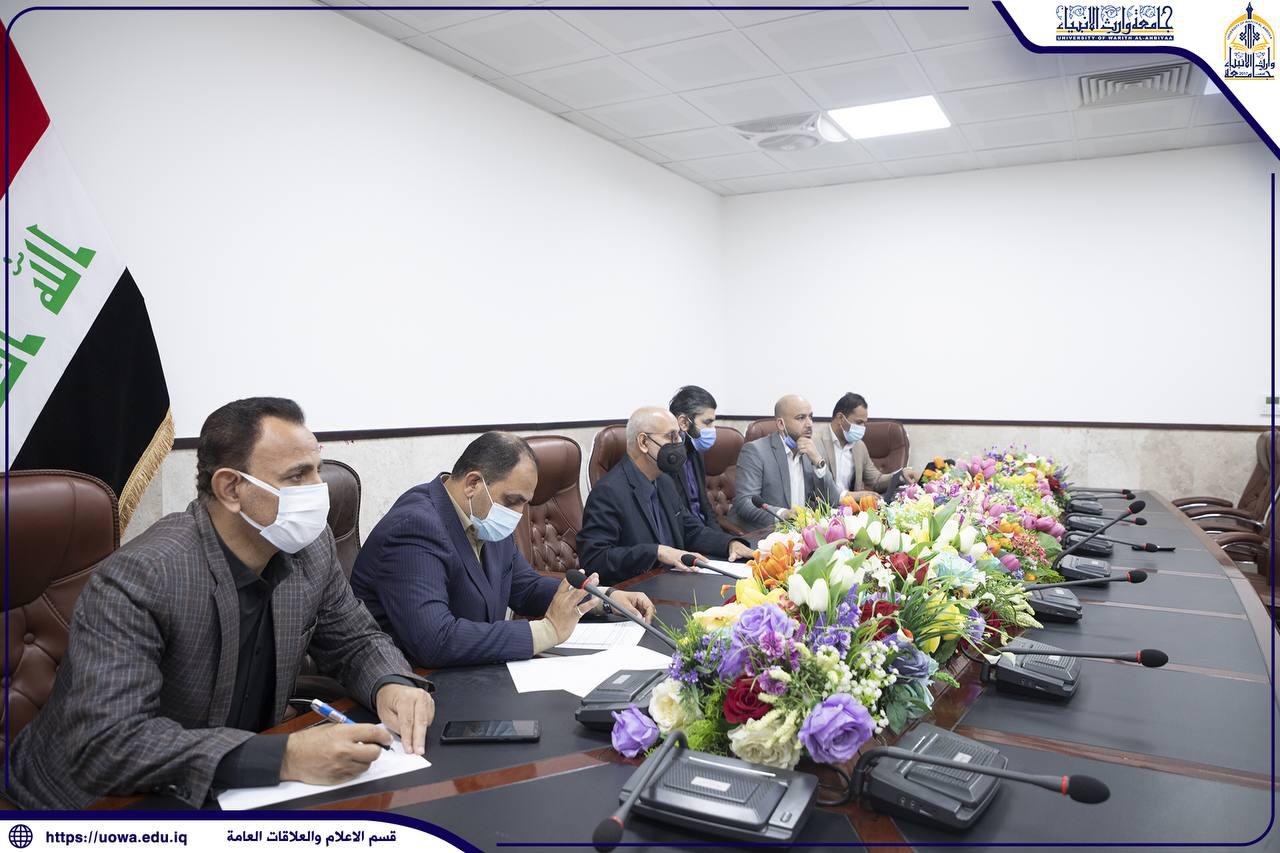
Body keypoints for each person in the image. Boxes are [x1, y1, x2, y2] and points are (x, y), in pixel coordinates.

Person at [7, 397, 435, 810]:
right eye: (297, 476)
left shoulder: (311, 547)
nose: (318, 491)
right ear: (231, 488)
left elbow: (355, 639)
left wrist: (391, 684)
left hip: (236, 790)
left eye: (317, 471)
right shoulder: (144, 575)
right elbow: (109, 742)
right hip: (97, 803)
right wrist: (284, 757)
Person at [351, 432, 655, 668]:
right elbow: (435, 640)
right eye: (512, 501)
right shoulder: (415, 527)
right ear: (473, 483)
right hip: (414, 687)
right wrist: (547, 631)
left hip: (472, 673)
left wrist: (604, 599)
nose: (518, 514)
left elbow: (526, 587)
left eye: (524, 503)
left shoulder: (482, 516)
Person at [579, 407, 753, 584]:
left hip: (674, 581)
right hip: (637, 589)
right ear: (643, 442)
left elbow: (690, 530)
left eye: (679, 436)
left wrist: (729, 544)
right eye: (672, 436)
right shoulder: (608, 491)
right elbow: (595, 559)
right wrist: (656, 552)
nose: (679, 443)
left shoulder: (664, 481)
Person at [731, 394, 839, 530]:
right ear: (781, 424)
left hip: (801, 532)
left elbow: (833, 501)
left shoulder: (812, 452)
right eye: (801, 418)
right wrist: (783, 514)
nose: (809, 424)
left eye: (811, 417)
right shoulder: (756, 451)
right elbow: (745, 503)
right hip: (765, 532)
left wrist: (818, 462)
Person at [815, 392, 918, 500]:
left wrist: (901, 475)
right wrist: (850, 495)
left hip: (852, 509)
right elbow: (817, 487)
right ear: (841, 418)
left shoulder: (859, 446)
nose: (863, 428)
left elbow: (876, 481)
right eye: (859, 422)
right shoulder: (816, 443)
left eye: (864, 423)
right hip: (823, 507)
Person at [667, 385, 724, 532]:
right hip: (687, 536)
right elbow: (677, 515)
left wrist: (722, 539)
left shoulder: (696, 450)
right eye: (707, 422)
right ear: (684, 423)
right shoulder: (666, 459)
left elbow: (704, 503)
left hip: (704, 532)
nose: (713, 429)